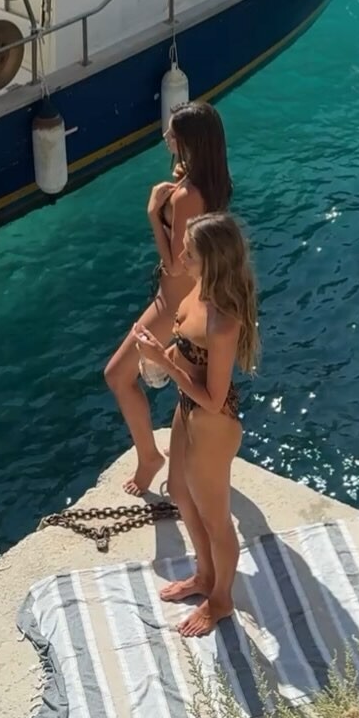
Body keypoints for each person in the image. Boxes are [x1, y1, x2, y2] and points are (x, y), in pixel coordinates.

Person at [134, 212, 259, 638]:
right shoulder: (196, 289)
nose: (181, 257)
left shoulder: (224, 321)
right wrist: (159, 352)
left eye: (189, 252)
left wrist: (163, 362)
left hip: (211, 424)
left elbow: (215, 398)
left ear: (211, 259)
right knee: (180, 492)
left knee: (216, 520)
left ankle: (222, 599)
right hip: (186, 407)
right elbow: (187, 350)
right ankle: (206, 575)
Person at [104, 101, 233, 496]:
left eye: (173, 134)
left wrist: (152, 214)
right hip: (193, 298)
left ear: (190, 141)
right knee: (182, 385)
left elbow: (176, 265)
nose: (166, 137)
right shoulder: (211, 180)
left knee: (118, 376)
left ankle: (149, 457)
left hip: (173, 302)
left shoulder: (186, 196)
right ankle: (183, 463)